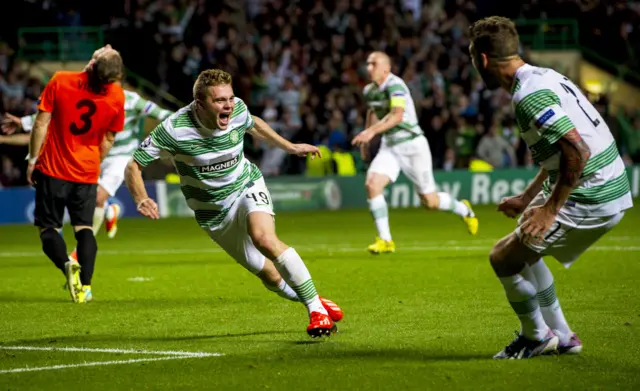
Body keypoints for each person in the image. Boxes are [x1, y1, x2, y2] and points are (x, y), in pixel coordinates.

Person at [124, 69, 343, 337]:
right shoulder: (175, 129)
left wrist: (290, 147)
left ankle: (315, 311)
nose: (228, 105)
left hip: (246, 185)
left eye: (230, 98)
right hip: (214, 215)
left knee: (264, 238)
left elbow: (252, 123)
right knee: (271, 277)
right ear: (199, 104)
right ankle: (315, 300)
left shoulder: (237, 109)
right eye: (219, 101)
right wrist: (141, 198)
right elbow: (134, 164)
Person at [468, 16, 633, 359]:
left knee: (502, 257)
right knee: (526, 234)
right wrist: (529, 198)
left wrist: (550, 209)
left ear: (482, 59)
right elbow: (561, 152)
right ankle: (561, 335)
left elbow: (577, 151)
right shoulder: (544, 76)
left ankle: (536, 337)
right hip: (607, 182)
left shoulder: (529, 97)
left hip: (593, 192)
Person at [2, 89, 173, 242]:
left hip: (121, 157)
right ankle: (107, 211)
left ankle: (81, 251)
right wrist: (23, 122)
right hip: (95, 154)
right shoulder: (86, 98)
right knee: (78, 196)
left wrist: (183, 128)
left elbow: (163, 114)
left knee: (97, 197)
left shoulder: (131, 99)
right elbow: (55, 113)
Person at [352, 52, 478, 254]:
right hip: (390, 145)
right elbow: (373, 111)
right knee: (372, 184)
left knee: (430, 202)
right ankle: (385, 240)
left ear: (386, 68)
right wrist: (367, 140)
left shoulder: (396, 86)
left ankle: (464, 209)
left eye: (373, 64)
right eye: (367, 64)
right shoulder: (369, 90)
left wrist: (370, 132)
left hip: (412, 146)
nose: (368, 68)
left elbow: (397, 116)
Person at [28, 45, 125, 303]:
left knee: (48, 228)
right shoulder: (117, 95)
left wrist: (32, 159)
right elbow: (108, 139)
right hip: (87, 172)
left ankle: (66, 263)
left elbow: (41, 122)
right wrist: (94, 161)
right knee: (84, 229)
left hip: (53, 169)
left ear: (91, 64)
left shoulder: (61, 80)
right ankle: (87, 287)